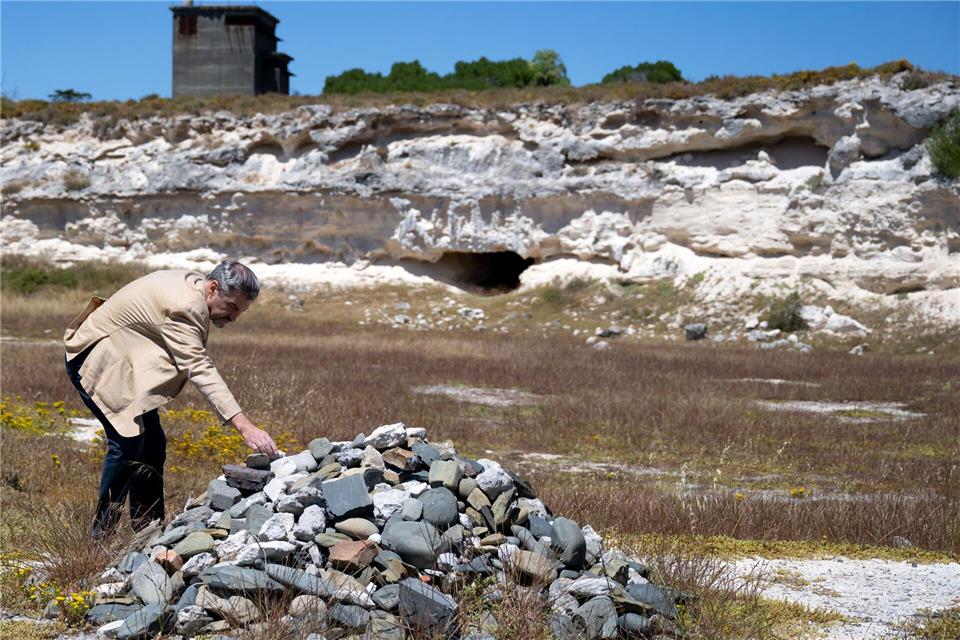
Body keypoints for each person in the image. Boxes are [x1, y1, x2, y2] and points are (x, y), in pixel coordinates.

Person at [64, 260, 278, 536]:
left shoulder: (196, 286)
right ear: (213, 288)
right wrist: (244, 426)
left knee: (153, 443)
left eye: (242, 310)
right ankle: (101, 536)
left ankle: (149, 532)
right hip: (95, 358)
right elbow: (199, 366)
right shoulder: (186, 307)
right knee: (127, 443)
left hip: (120, 358)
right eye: (233, 307)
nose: (234, 317)